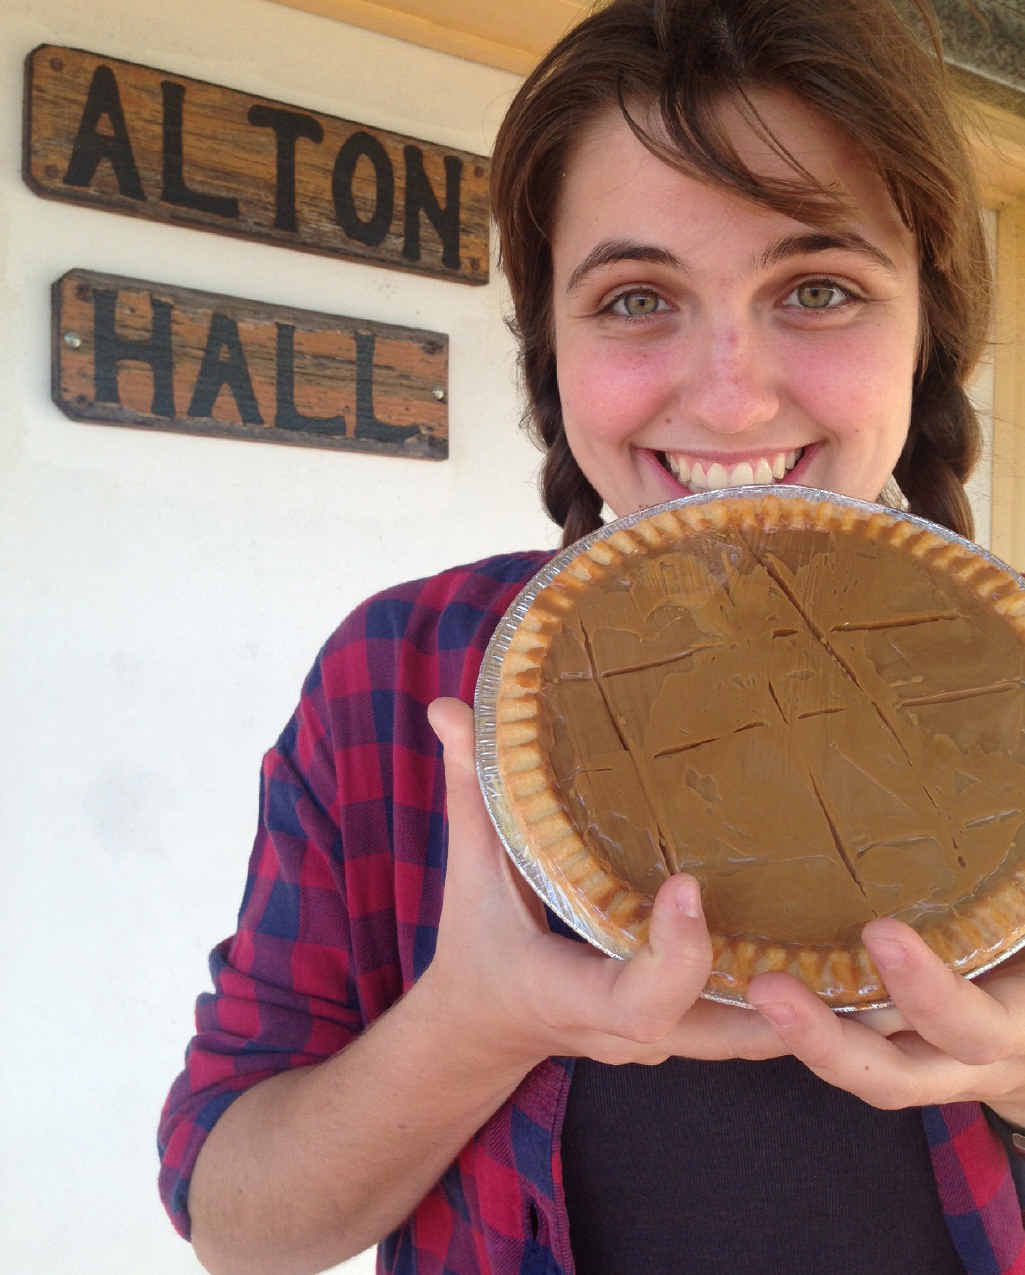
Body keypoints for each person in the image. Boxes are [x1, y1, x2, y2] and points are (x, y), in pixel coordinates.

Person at [158, 0, 1025, 1271]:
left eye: (820, 288)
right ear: (549, 353)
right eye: (633, 299)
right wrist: (473, 1022)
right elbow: (243, 1230)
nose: (730, 394)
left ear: (925, 336)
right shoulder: (395, 681)